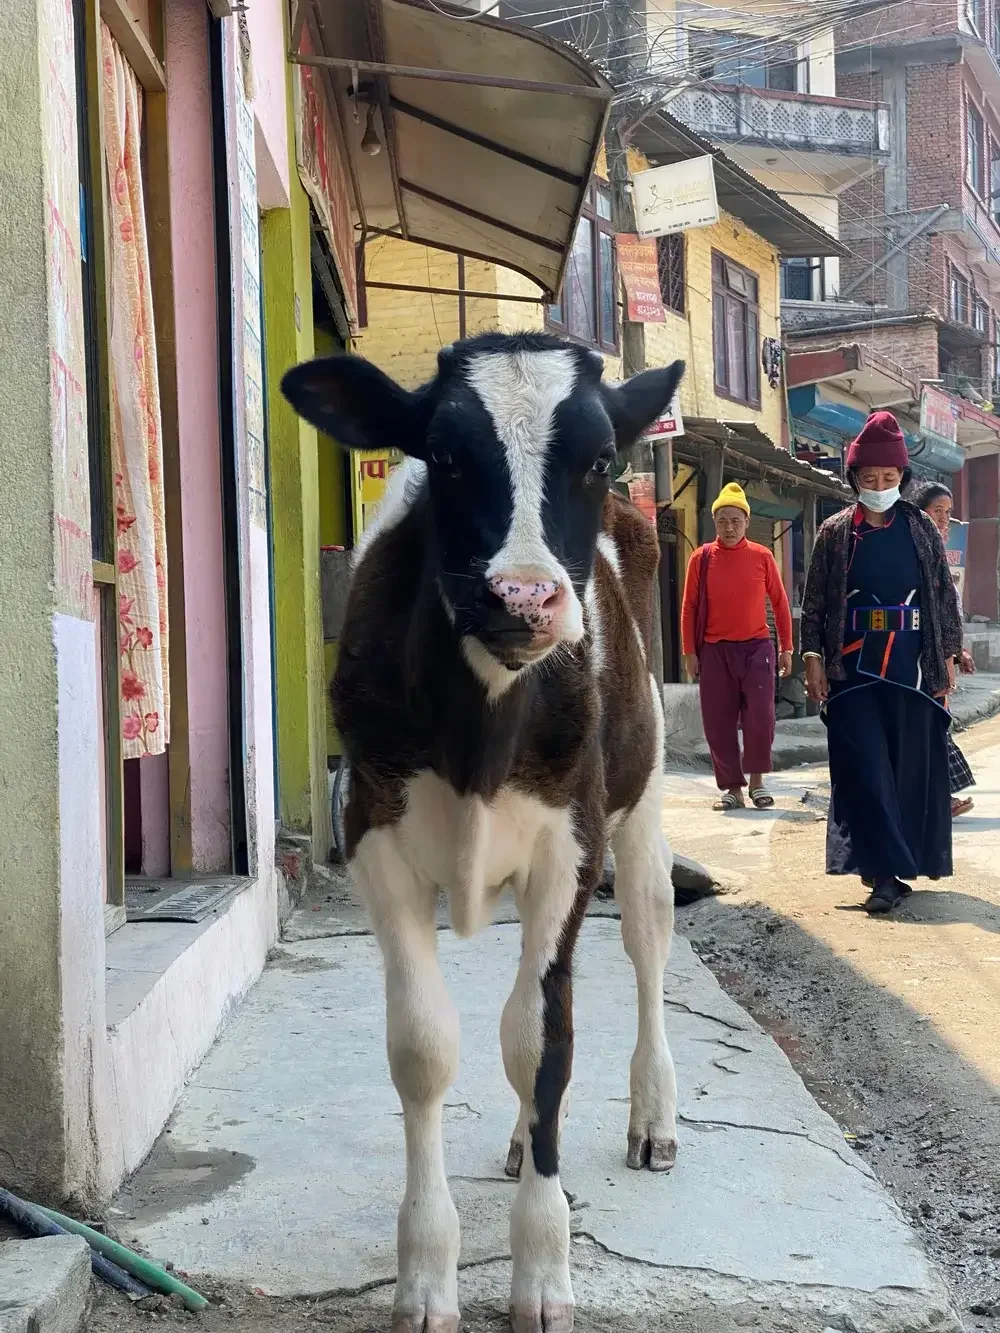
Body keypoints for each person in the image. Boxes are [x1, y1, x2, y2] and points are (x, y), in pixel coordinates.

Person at [801, 411, 962, 915]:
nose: (878, 487)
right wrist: (812, 657)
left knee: (904, 770)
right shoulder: (833, 532)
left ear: (901, 480)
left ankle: (894, 866)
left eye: (889, 479)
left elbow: (942, 596)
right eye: (869, 479)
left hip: (910, 668)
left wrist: (949, 657)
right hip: (852, 668)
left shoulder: (921, 530)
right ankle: (883, 874)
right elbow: (816, 602)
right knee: (864, 768)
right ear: (853, 479)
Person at [681, 481, 793, 811]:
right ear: (714, 523)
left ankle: (757, 782)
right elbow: (688, 606)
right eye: (722, 521)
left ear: (746, 521)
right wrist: (690, 651)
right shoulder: (700, 558)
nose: (729, 527)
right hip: (715, 651)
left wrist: (786, 647)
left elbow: (780, 602)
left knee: (761, 717)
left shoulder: (762, 556)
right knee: (719, 721)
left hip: (757, 649)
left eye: (736, 521)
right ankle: (732, 788)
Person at [913, 481, 976, 817]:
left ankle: (938, 797)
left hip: (938, 659)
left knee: (935, 726)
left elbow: (947, 612)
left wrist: (956, 651)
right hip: (919, 660)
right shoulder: (917, 553)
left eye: (948, 513)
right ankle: (935, 799)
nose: (943, 519)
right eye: (937, 511)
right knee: (930, 727)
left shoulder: (937, 551)